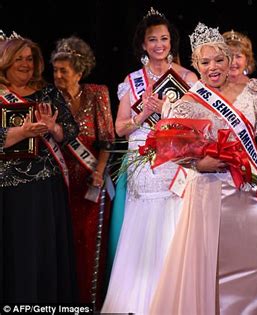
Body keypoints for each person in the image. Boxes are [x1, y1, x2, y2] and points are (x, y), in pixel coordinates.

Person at [149, 22, 257, 315]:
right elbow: (171, 148)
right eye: (205, 62)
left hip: (248, 194)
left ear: (229, 61)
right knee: (213, 265)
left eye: (219, 60)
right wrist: (198, 163)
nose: (213, 67)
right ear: (196, 65)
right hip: (210, 195)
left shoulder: (252, 89)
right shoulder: (188, 102)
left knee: (254, 264)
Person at [101, 7, 197, 314]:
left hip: (175, 157)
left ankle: (175, 299)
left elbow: (198, 121)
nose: (159, 45)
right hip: (144, 158)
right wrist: (143, 112)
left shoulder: (187, 77)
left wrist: (169, 114)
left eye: (164, 38)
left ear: (172, 42)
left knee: (175, 216)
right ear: (143, 44)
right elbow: (120, 127)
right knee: (144, 221)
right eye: (152, 39)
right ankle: (139, 301)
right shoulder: (132, 81)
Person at [0, 32, 79, 302]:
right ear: (5, 61)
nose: (26, 64)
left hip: (45, 188)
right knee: (14, 253)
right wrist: (22, 132)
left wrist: (53, 127)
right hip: (7, 192)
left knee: (43, 251)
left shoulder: (47, 92)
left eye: (30, 59)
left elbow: (69, 131)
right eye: (18, 59)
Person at [50, 35, 115, 307]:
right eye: (55, 70)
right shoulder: (49, 97)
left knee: (90, 244)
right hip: (60, 181)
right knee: (61, 244)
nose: (57, 75)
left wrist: (99, 172)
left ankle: (90, 303)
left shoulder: (97, 92)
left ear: (79, 71)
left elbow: (107, 140)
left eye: (63, 70)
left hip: (92, 182)